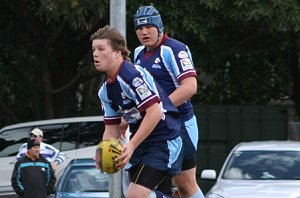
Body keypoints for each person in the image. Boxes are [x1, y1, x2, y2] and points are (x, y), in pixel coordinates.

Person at [91, 25, 183, 198]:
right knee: (138, 195)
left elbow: (154, 112)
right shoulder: (105, 90)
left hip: (164, 140)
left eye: (101, 49)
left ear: (117, 52)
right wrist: (102, 151)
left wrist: (131, 145)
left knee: (135, 195)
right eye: (94, 49)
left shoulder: (131, 76)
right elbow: (111, 128)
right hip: (142, 143)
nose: (95, 54)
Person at [133, 5, 204, 198]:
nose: (144, 32)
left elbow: (190, 87)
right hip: (155, 126)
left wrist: (156, 109)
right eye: (139, 28)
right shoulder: (138, 53)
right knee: (140, 185)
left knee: (185, 185)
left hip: (180, 125)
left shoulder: (174, 49)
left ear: (159, 27)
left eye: (149, 26)